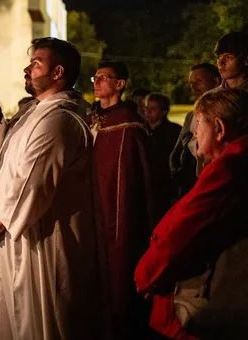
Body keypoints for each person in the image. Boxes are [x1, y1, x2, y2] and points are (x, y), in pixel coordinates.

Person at [0, 37, 103, 339]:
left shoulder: (59, 119)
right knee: (15, 314)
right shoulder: (37, 111)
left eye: (36, 63)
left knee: (39, 318)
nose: (27, 69)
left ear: (58, 72)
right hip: (21, 232)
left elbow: (34, 180)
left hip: (42, 239)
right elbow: (5, 149)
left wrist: (3, 217)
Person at [135, 88, 248, 339]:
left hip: (201, 302)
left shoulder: (228, 169)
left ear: (219, 128)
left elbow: (181, 232)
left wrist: (146, 275)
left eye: (198, 123)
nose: (194, 132)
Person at [89, 60, 158, 336]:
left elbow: (137, 175)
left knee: (119, 262)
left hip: (119, 208)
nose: (97, 81)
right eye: (95, 77)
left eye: (104, 77)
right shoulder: (93, 119)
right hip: (92, 204)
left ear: (120, 84)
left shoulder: (129, 124)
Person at [169, 63, 220, 199]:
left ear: (216, 81)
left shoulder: (223, 111)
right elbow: (178, 148)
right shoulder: (190, 116)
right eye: (191, 83)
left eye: (199, 81)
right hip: (187, 180)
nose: (194, 87)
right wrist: (175, 169)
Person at [145, 92, 181, 210]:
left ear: (164, 112)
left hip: (165, 185)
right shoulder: (141, 130)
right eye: (147, 108)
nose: (148, 112)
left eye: (153, 109)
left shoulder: (174, 132)